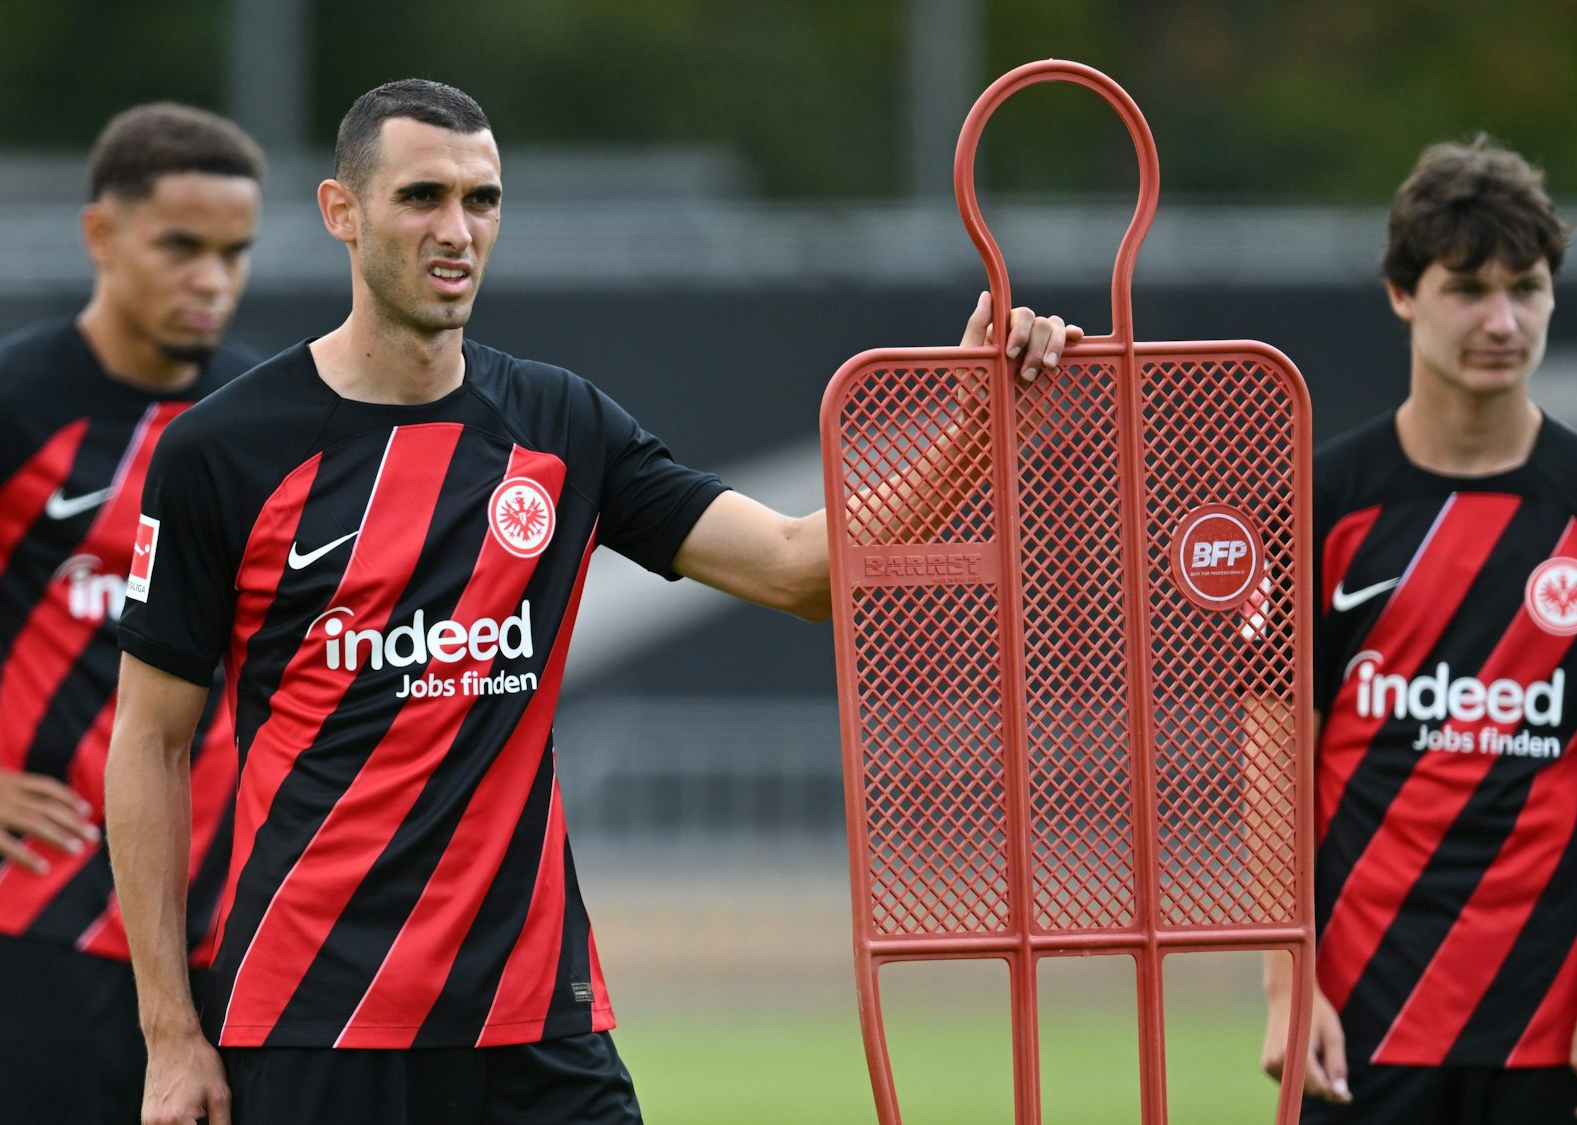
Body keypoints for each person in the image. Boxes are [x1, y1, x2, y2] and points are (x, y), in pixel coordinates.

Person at [106, 78, 1075, 1125]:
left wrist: (975, 421)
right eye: (421, 197)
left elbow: (804, 573)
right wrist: (169, 1034)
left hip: (536, 1021)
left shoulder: (560, 423)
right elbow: (150, 747)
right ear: (342, 212)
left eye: (481, 200)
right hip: (315, 1017)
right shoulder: (220, 451)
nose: (457, 230)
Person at [0, 103, 265, 1124]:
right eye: (181, 247)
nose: (212, 279)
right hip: (48, 917)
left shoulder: (265, 418)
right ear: (101, 236)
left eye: (235, 253)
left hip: (247, 919)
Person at [1259, 137, 1577, 1125]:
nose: (1500, 321)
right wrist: (1287, 991)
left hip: (1548, 1037)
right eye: (1465, 289)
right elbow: (1272, 753)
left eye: (1526, 288)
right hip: (1355, 1032)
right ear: (1400, 294)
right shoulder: (1318, 503)